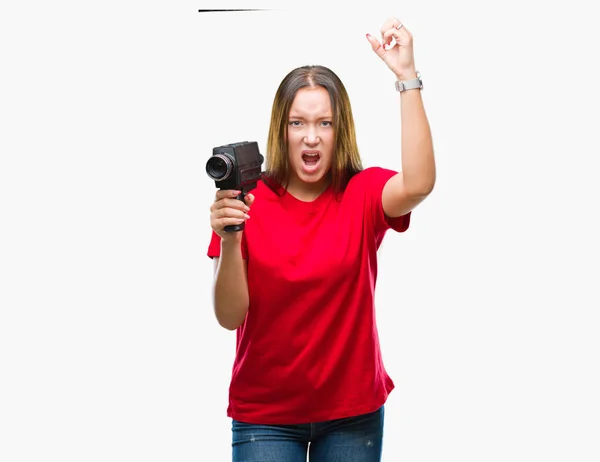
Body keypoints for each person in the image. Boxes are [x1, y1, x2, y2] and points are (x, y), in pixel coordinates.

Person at [207, 16, 435, 462]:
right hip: (265, 416)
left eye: (324, 123)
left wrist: (407, 78)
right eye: (298, 123)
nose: (311, 137)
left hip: (352, 414)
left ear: (340, 129)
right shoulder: (246, 201)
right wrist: (231, 238)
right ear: (282, 128)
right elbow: (229, 316)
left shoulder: (363, 193)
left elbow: (421, 183)